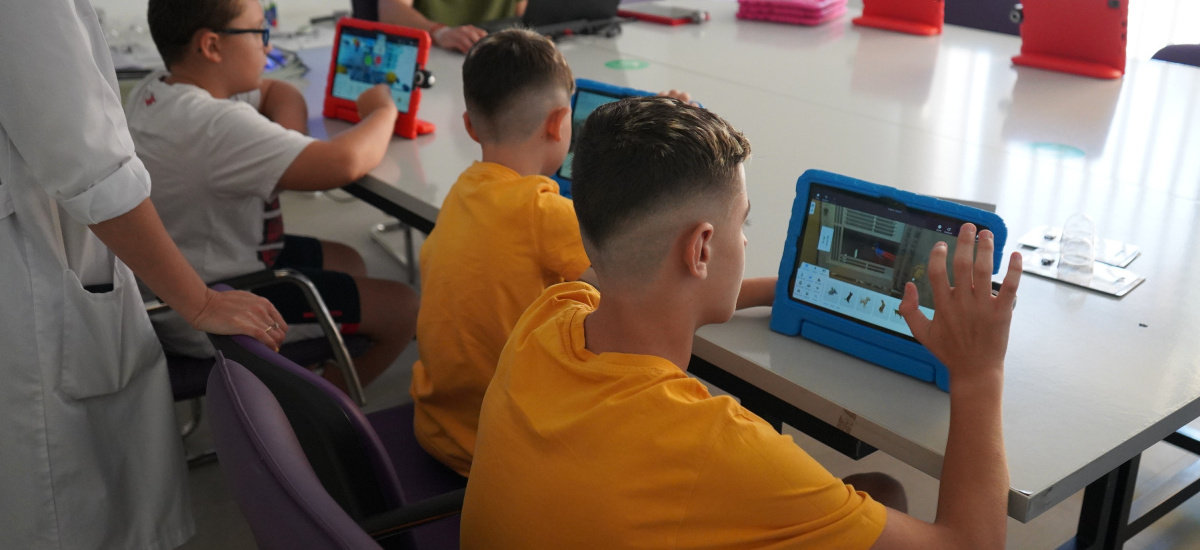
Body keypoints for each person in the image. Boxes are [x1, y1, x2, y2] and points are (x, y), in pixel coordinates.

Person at [460, 97, 1023, 549]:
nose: (746, 241)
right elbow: (970, 542)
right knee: (889, 495)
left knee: (874, 491)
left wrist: (789, 291)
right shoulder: (718, 448)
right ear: (701, 248)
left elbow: (621, 273)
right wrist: (979, 372)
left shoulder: (550, 313)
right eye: (742, 223)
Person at [410, 28, 773, 478]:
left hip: (436, 423)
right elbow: (660, 280)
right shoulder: (542, 211)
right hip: (487, 448)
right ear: (560, 124)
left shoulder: (466, 188)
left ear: (468, 125)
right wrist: (778, 290)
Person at [0, 1, 289, 548]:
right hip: (30, 280)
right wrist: (199, 301)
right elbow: (93, 168)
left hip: (45, 251)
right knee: (61, 505)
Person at [127, 0, 421, 389]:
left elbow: (277, 90)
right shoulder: (215, 125)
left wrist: (286, 146)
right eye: (260, 32)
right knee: (404, 306)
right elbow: (345, 162)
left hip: (197, 268)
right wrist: (382, 110)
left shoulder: (160, 86)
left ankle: (307, 365)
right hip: (216, 300)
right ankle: (323, 412)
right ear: (212, 46)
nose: (269, 47)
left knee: (347, 259)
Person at [376, 0, 523, 52]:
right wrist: (440, 32)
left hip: (500, 63)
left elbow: (525, 16)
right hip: (434, 61)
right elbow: (390, 9)